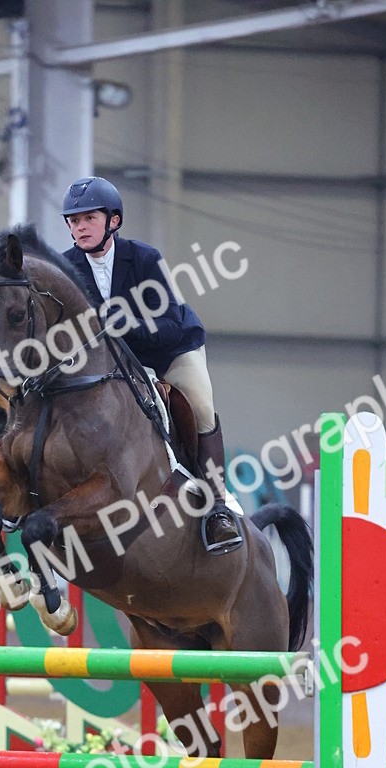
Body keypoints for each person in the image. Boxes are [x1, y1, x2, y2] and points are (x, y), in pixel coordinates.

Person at [61, 175, 242, 554]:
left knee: (200, 407)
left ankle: (218, 508)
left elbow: (171, 326)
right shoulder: (66, 268)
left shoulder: (144, 259)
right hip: (118, 364)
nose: (79, 227)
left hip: (170, 351)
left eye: (88, 218)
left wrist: (125, 327)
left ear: (113, 220)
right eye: (73, 221)